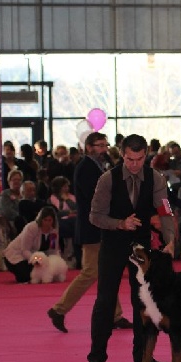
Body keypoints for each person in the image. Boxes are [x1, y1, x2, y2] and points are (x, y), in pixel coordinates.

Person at [87, 134, 175, 362]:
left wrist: (170, 240)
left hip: (142, 247)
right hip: (113, 245)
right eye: (129, 159)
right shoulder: (107, 179)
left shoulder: (155, 178)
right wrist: (119, 224)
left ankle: (143, 357)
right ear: (121, 154)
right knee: (105, 300)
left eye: (138, 159)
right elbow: (94, 216)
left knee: (143, 302)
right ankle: (96, 357)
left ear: (146, 155)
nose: (134, 164)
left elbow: (165, 210)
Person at [48, 132, 131, 334]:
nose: (103, 149)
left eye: (105, 145)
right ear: (88, 147)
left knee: (108, 271)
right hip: (93, 228)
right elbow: (98, 197)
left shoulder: (98, 166)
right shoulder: (85, 168)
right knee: (91, 272)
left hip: (100, 226)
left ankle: (115, 315)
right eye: (99, 145)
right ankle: (59, 310)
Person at [3, 206, 60, 283]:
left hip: (38, 259)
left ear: (53, 221)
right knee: (29, 275)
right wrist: (36, 261)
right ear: (41, 219)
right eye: (45, 220)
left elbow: (53, 250)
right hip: (17, 256)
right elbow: (25, 250)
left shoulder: (53, 232)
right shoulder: (32, 228)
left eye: (50, 220)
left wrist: (52, 264)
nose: (47, 223)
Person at [48, 175, 78, 263]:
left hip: (71, 222)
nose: (67, 188)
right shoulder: (51, 199)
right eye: (65, 186)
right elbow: (54, 212)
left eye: (67, 186)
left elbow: (77, 209)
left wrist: (67, 200)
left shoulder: (72, 197)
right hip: (56, 222)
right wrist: (68, 212)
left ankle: (71, 255)